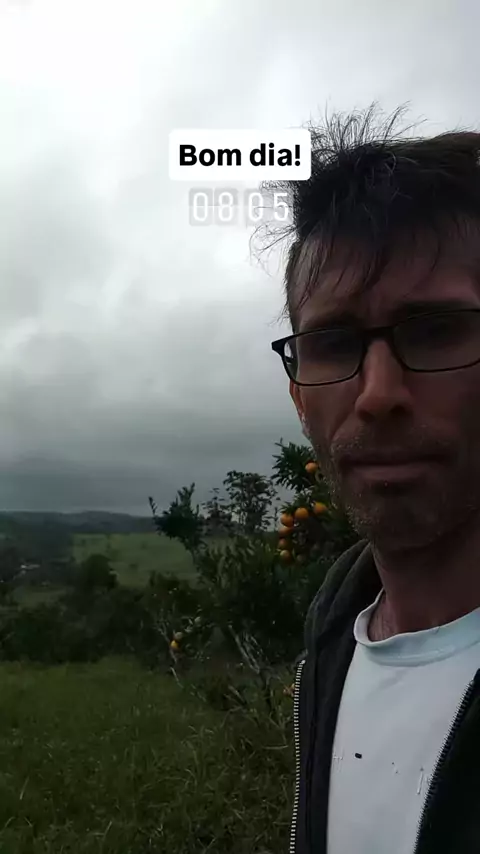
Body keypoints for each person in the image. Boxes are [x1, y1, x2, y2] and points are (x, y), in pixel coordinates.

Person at [269, 106, 480, 854]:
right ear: (299, 397)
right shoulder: (334, 631)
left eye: (437, 331)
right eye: (333, 343)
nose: (378, 394)